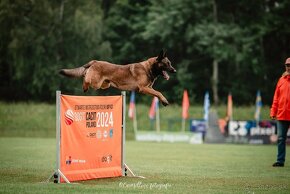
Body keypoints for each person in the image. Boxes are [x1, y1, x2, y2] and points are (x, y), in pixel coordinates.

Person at [270, 57, 290, 167]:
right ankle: (280, 161)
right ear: (285, 66)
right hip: (282, 114)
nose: (289, 67)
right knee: (281, 139)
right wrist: (273, 111)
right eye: (287, 65)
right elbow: (276, 98)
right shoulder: (281, 80)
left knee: (281, 139)